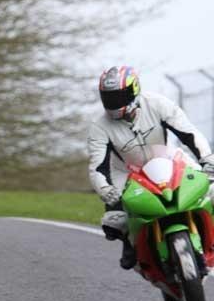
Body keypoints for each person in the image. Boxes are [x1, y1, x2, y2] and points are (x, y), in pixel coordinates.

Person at [88, 66, 214, 269]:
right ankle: (131, 244)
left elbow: (189, 133)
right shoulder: (99, 126)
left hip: (168, 158)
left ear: (133, 90)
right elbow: (97, 166)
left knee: (210, 188)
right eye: (109, 97)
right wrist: (105, 190)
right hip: (126, 171)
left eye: (119, 96)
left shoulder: (157, 104)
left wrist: (207, 159)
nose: (113, 102)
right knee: (115, 220)